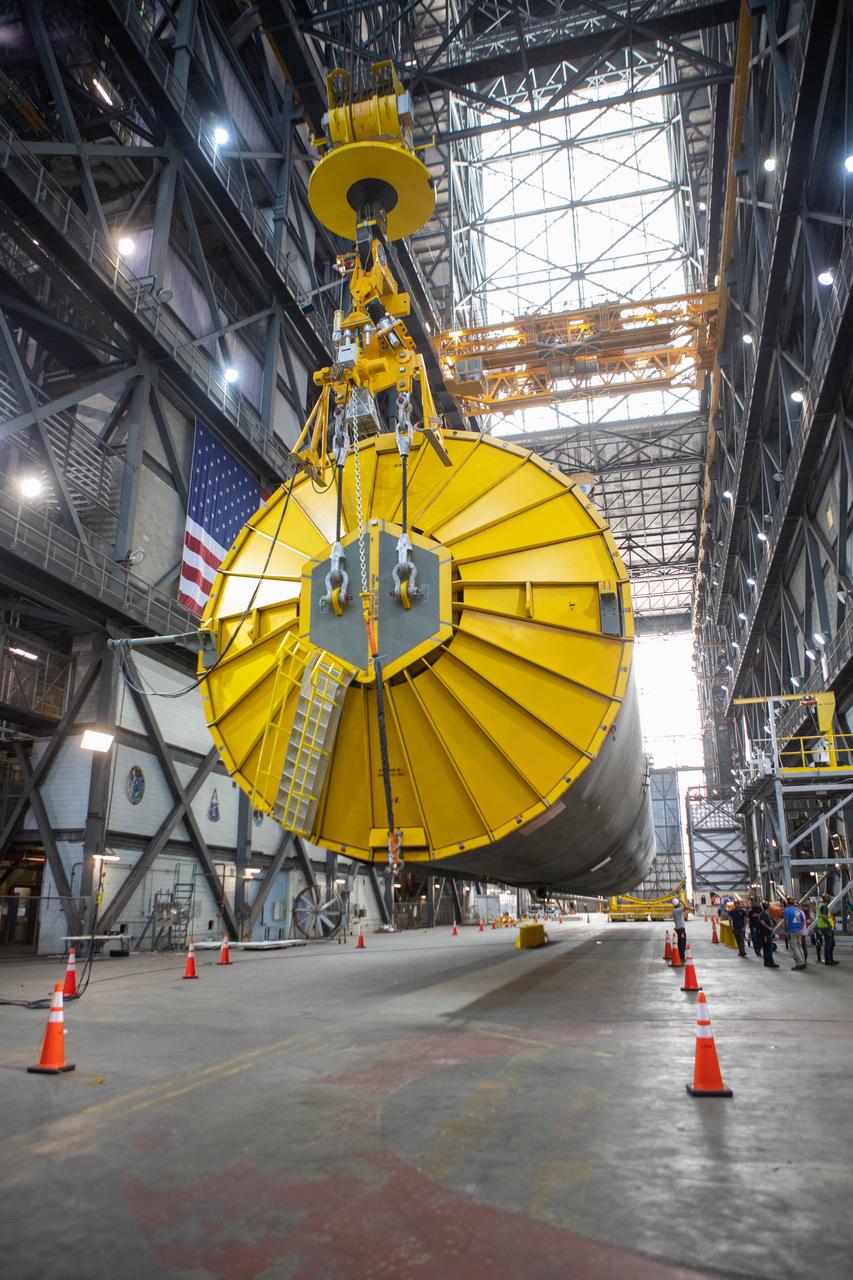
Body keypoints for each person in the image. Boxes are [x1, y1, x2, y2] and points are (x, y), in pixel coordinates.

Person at [782, 897, 807, 970]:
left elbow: (786, 922)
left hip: (792, 931)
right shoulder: (798, 910)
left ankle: (800, 963)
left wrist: (786, 931)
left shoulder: (787, 910)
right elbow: (802, 921)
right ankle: (803, 961)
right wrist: (799, 928)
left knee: (794, 947)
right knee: (799, 946)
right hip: (799, 930)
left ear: (787, 902)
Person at [816, 894, 839, 965]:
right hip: (826, 927)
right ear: (827, 899)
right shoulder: (824, 906)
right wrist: (829, 924)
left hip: (823, 926)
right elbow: (824, 917)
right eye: (829, 898)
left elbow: (824, 915)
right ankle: (828, 960)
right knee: (829, 944)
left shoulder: (820, 905)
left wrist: (831, 914)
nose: (829, 899)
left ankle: (830, 959)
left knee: (832, 943)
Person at [758, 901, 779, 968]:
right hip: (765, 934)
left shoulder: (764, 913)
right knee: (768, 948)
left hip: (765, 933)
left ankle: (767, 962)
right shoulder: (764, 913)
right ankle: (770, 962)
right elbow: (761, 921)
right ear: (768, 906)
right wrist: (769, 928)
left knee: (766, 948)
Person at [671, 897, 686, 962]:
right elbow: (686, 907)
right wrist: (682, 901)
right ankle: (682, 957)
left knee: (680, 942)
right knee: (682, 943)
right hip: (681, 929)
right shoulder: (678, 910)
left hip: (678, 928)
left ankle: (680, 955)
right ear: (677, 903)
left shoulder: (675, 910)